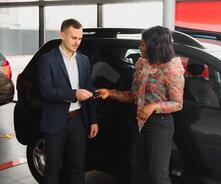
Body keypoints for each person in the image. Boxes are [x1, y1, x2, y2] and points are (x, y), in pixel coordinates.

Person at [96, 26, 185, 184]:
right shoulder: (142, 65)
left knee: (158, 176)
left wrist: (153, 106)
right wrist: (110, 93)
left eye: (143, 44)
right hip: (139, 122)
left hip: (160, 124)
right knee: (138, 172)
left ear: (154, 46)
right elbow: (133, 96)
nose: (139, 47)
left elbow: (178, 103)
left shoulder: (171, 69)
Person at [38, 18, 99, 184]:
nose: (77, 42)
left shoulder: (84, 60)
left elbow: (88, 89)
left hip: (79, 121)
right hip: (55, 122)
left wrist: (93, 120)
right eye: (74, 38)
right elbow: (45, 92)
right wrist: (74, 94)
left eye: (80, 38)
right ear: (62, 35)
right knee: (52, 169)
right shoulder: (47, 60)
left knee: (78, 168)